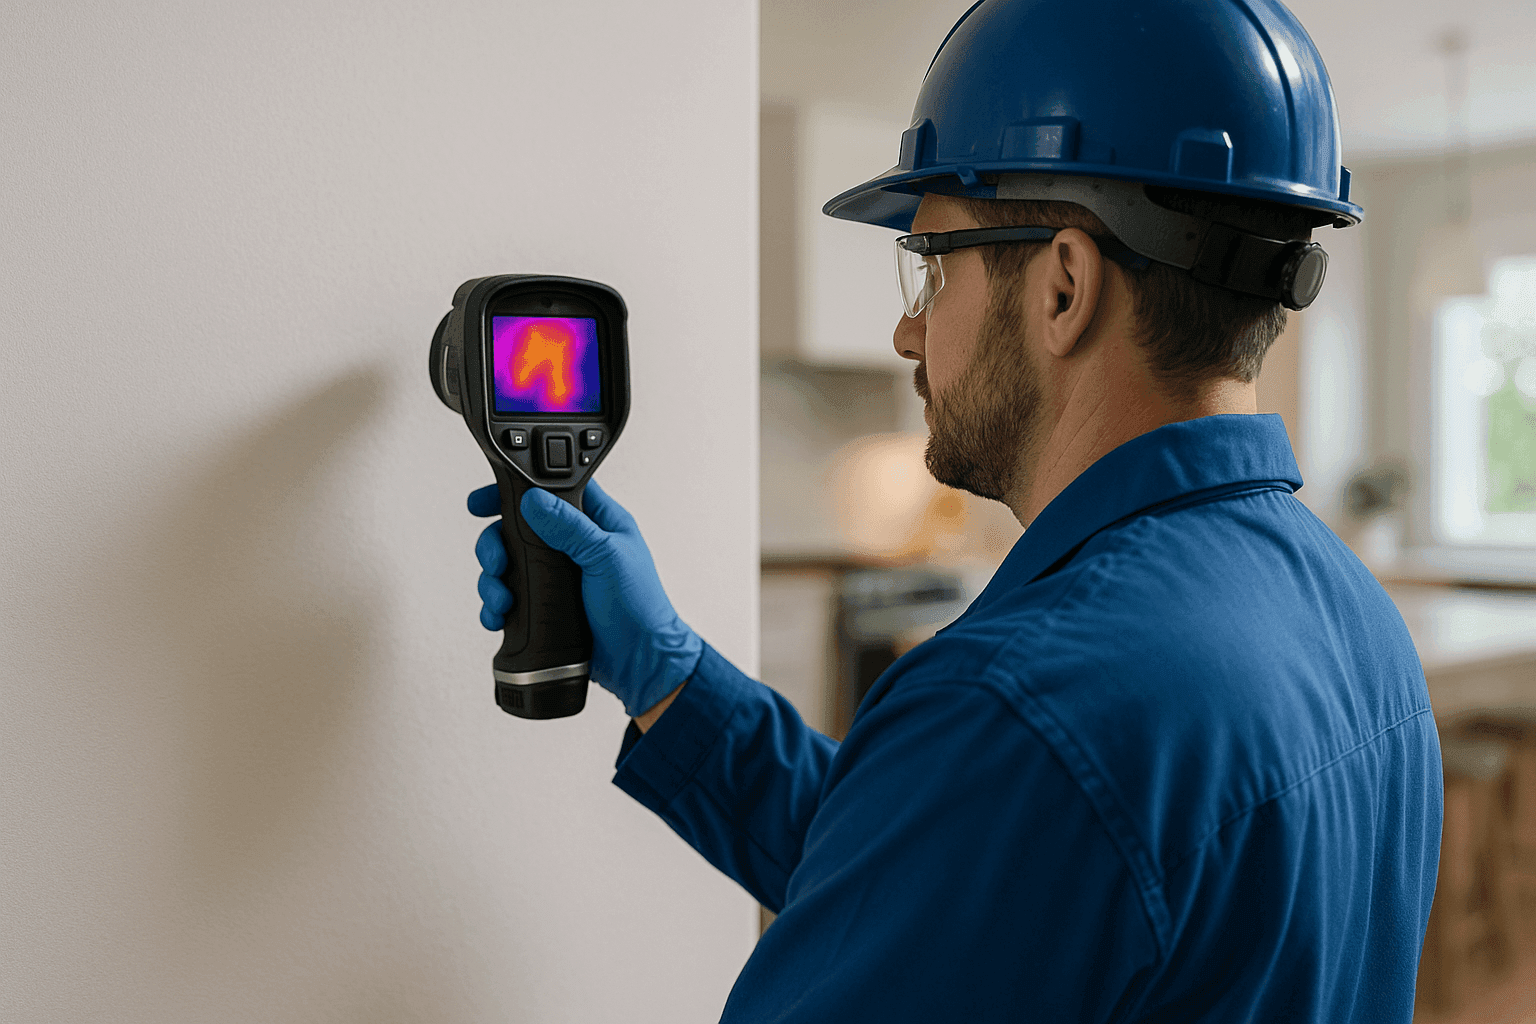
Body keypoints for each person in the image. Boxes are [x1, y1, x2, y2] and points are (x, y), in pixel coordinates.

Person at [470, 0, 1442, 1019]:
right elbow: (961, 895)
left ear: (1064, 287)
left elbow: (987, 852)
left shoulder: (1022, 707)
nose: (904, 329)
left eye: (930, 266)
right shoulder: (1358, 623)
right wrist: (669, 674)